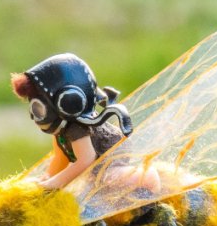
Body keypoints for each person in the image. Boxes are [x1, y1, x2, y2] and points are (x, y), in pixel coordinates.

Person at [11, 53, 133, 190]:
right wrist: (47, 177)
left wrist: (54, 184)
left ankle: (148, 177)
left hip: (114, 161)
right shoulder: (62, 130)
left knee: (111, 177)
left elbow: (86, 159)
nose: (34, 116)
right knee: (98, 182)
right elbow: (60, 156)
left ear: (67, 102)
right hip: (97, 170)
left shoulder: (76, 129)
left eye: (39, 109)